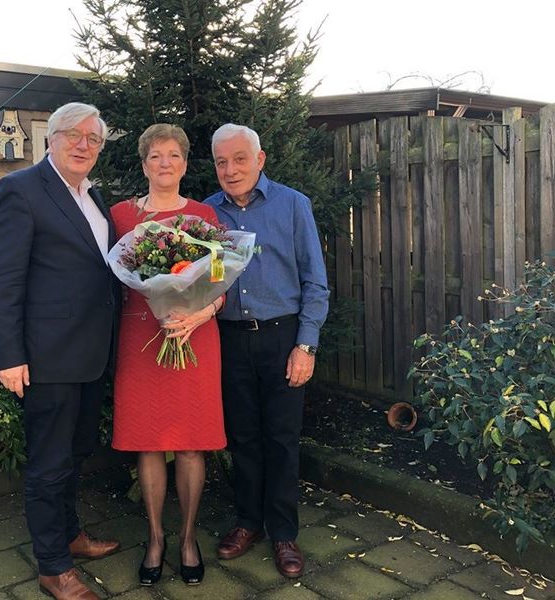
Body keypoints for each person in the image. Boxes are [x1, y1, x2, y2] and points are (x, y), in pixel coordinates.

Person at [0, 102, 121, 600]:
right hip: (47, 357)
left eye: (94, 139)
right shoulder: (20, 189)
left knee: (76, 453)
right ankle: (53, 568)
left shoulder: (93, 196)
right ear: (51, 138)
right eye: (74, 135)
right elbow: (3, 281)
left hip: (91, 354)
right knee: (48, 464)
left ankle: (69, 535)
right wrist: (8, 355)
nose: (85, 145)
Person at [205, 123, 329, 579]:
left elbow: (315, 282)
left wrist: (305, 345)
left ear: (260, 159)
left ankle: (283, 533)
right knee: (242, 437)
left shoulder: (293, 205)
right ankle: (248, 522)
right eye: (222, 162)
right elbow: (206, 278)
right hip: (229, 339)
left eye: (240, 159)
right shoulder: (207, 214)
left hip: (282, 336)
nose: (231, 170)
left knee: (281, 439)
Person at [111, 124, 226, 587]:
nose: (165, 163)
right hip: (140, 338)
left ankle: (188, 537)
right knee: (149, 441)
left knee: (192, 441)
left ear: (184, 163)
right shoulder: (121, 215)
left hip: (195, 337)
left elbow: (219, 278)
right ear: (144, 164)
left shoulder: (203, 216)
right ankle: (156, 537)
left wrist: (200, 314)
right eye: (156, 155)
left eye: (173, 154)